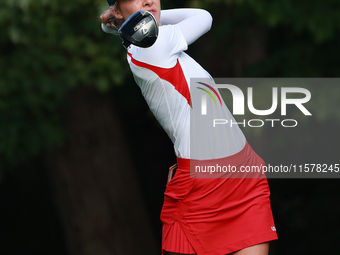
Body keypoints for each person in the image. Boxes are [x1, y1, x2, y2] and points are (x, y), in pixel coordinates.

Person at [100, 1, 278, 255]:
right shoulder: (154, 45)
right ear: (118, 12)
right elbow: (203, 16)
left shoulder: (145, 40)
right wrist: (134, 20)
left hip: (243, 174)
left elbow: (133, 24)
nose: (149, 0)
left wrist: (127, 19)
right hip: (202, 187)